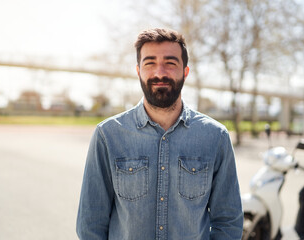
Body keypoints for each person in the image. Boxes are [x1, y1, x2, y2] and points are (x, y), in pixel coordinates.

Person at [76, 28, 243, 240]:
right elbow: (90, 225)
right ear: (138, 70)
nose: (159, 73)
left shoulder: (215, 136)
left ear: (185, 71)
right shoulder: (107, 136)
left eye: (170, 63)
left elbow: (228, 221)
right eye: (150, 63)